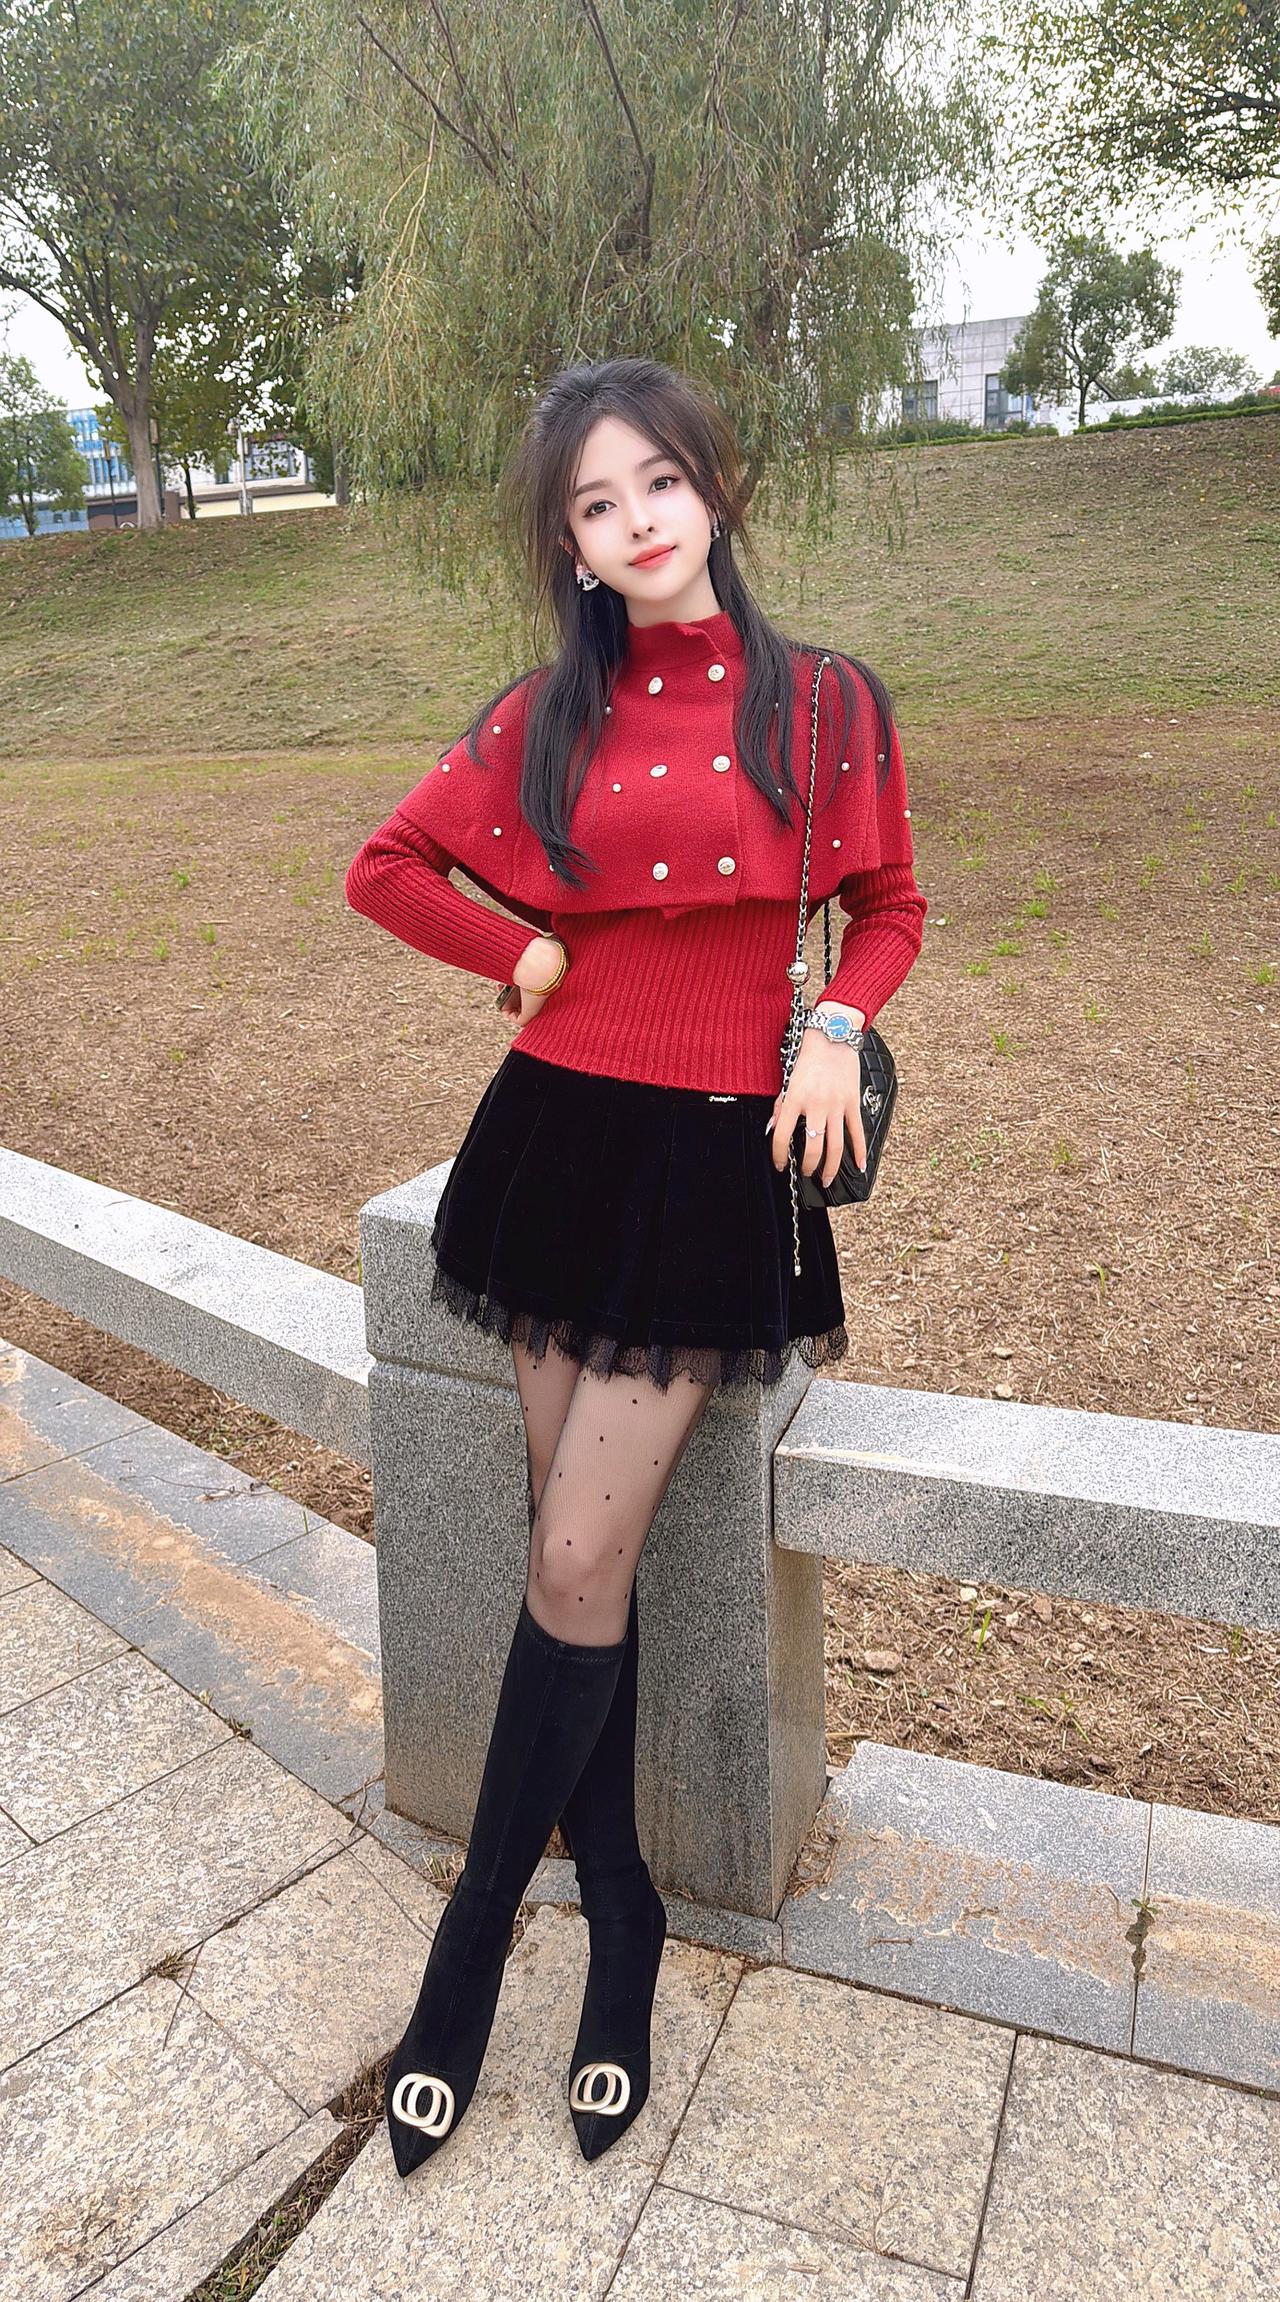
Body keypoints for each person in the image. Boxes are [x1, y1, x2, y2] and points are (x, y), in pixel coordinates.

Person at [344, 355, 927, 2179]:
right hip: (557, 1143)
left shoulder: (822, 704)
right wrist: (516, 959)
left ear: (714, 487)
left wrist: (834, 1020)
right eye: (596, 506)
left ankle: (466, 1959)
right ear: (572, 547)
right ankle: (620, 1915)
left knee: (577, 1551)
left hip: (707, 1164)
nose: (637, 521)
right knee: (566, 1554)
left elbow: (892, 904)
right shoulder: (549, 714)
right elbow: (386, 866)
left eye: (659, 482)